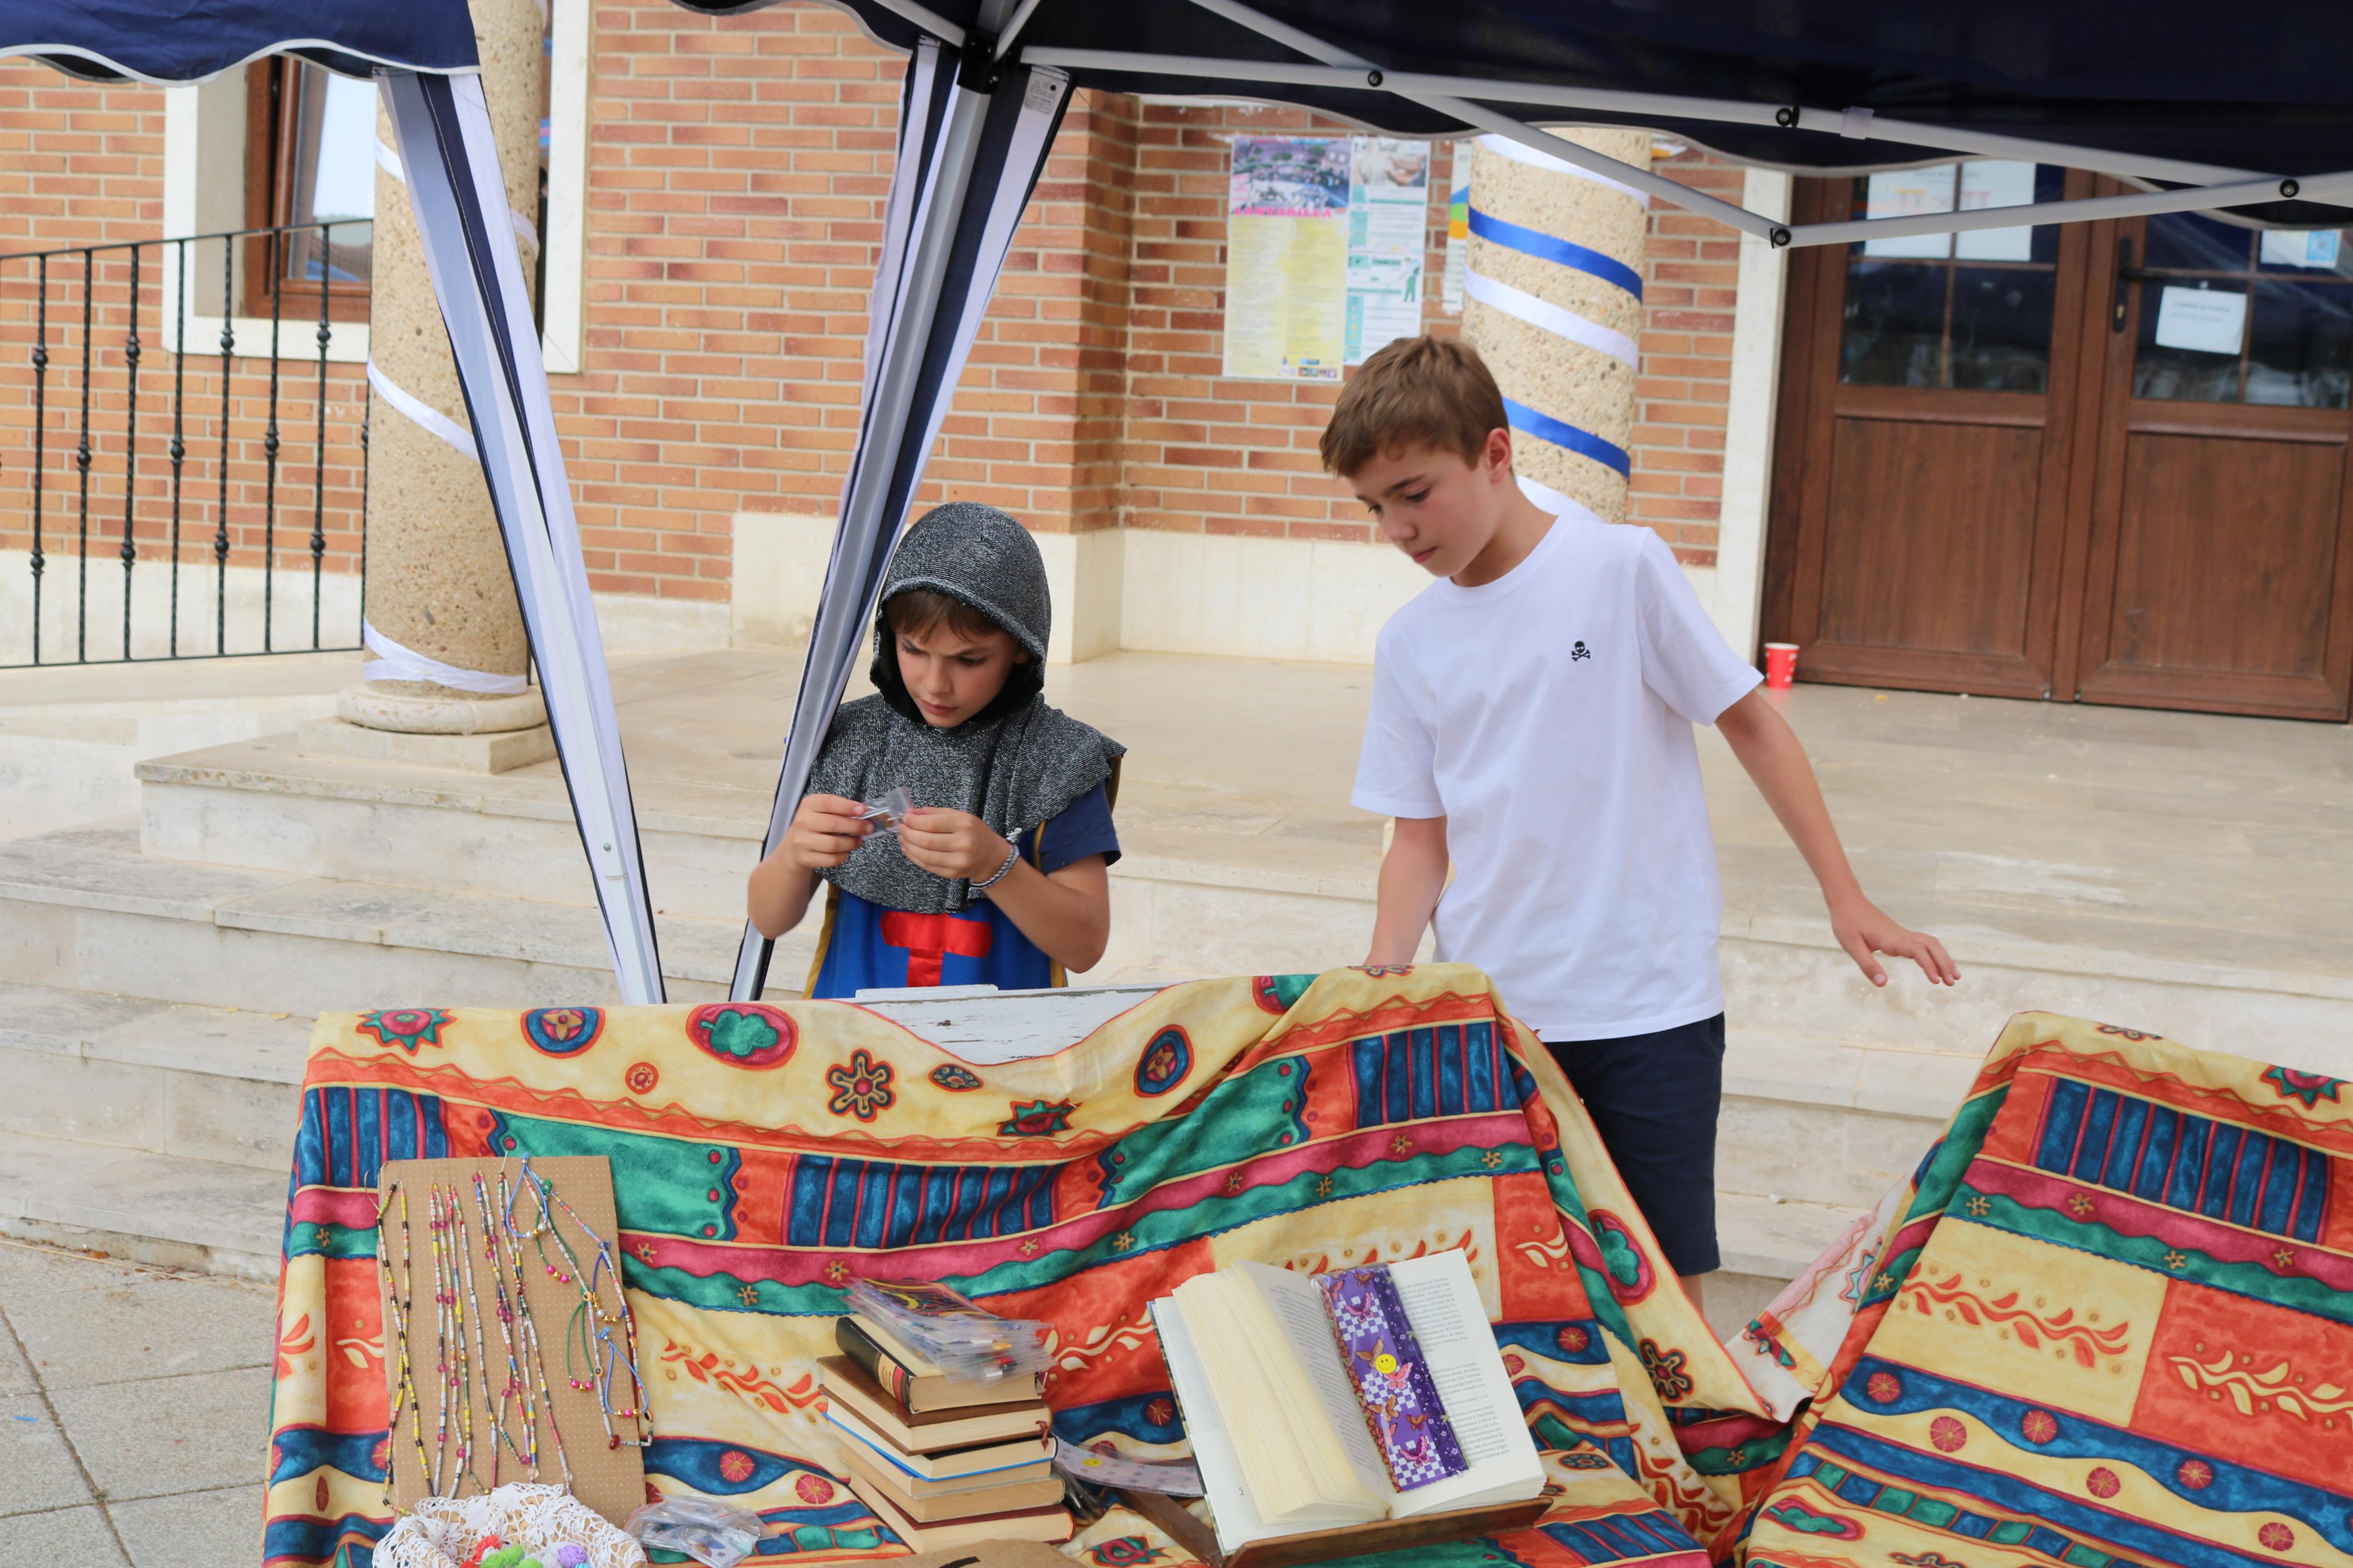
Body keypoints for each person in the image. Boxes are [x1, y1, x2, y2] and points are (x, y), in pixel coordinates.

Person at [1330, 337, 1957, 1307]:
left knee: (1661, 1285)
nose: (1398, 530)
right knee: (1507, 1281)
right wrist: (1383, 975)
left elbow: (1750, 723)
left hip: (1646, 1001)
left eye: (1415, 493)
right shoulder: (1409, 643)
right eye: (1375, 508)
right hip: (1498, 1011)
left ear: (1494, 454)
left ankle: (1685, 1459)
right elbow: (1419, 838)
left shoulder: (1617, 569)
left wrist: (1844, 894)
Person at [747, 503, 1124, 998]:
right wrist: (795, 854)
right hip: (857, 1056)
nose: (934, 683)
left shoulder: (1058, 761)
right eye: (912, 649)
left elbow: (1085, 945)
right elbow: (768, 919)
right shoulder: (843, 742)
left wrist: (997, 865)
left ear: (1022, 647)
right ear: (888, 637)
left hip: (1003, 1054)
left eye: (968, 660)